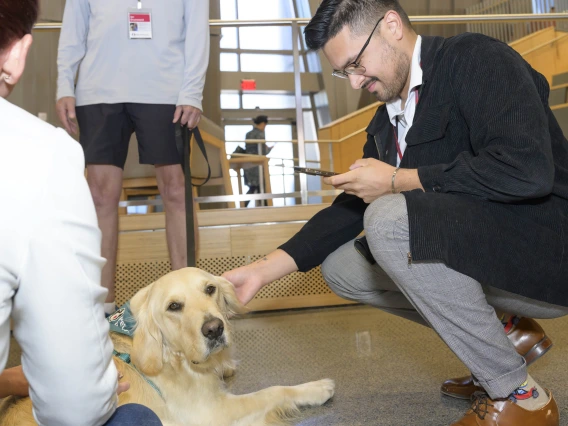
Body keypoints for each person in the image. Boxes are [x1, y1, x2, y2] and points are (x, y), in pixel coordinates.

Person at [223, 0, 568, 424]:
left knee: (388, 221)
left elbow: (526, 171)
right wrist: (261, 269)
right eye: (342, 72)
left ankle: (521, 396)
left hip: (548, 252)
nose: (353, 82)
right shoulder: (387, 121)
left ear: (390, 26)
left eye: (356, 63)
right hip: (486, 251)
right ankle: (504, 334)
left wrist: (396, 181)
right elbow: (350, 208)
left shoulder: (477, 58)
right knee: (342, 267)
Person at [0, 0, 160, 424]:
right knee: (134, 418)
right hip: (107, 94)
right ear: (17, 54)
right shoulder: (43, 155)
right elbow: (75, 407)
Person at [56, 0, 210, 315]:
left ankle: (190, 305)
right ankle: (101, 307)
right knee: (100, 196)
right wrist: (64, 84)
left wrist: (192, 91)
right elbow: (74, 26)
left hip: (165, 88)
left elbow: (197, 28)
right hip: (98, 88)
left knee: (176, 191)